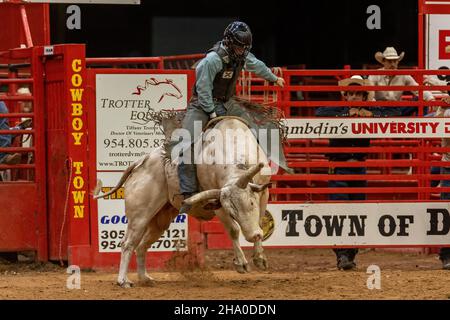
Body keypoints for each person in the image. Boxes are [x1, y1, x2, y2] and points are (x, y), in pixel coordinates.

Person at [177, 21, 285, 215]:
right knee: (185, 142)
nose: (241, 51)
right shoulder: (212, 60)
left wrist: (272, 77)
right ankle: (188, 193)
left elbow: (256, 65)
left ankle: (261, 176)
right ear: (228, 42)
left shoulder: (242, 56)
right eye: (238, 46)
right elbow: (202, 89)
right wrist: (211, 111)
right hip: (202, 104)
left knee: (261, 126)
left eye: (244, 47)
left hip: (228, 102)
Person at [316, 75, 400, 270]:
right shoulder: (337, 110)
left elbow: (397, 111)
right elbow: (319, 113)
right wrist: (346, 116)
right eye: (351, 93)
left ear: (364, 96)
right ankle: (342, 254)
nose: (354, 96)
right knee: (340, 210)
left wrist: (372, 116)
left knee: (357, 210)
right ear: (346, 95)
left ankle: (350, 254)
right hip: (339, 167)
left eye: (358, 93)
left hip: (358, 167)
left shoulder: (370, 111)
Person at [368, 47, 435, 116]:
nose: (393, 64)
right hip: (380, 108)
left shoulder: (404, 75)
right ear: (383, 62)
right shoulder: (375, 75)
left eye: (395, 61)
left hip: (397, 108)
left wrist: (431, 99)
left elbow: (417, 89)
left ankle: (420, 124)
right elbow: (369, 92)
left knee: (421, 98)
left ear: (398, 62)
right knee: (372, 107)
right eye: (389, 61)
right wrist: (374, 104)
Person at [433, 96, 450, 270]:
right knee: (447, 208)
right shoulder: (446, 110)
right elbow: (434, 127)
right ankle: (446, 254)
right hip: (448, 164)